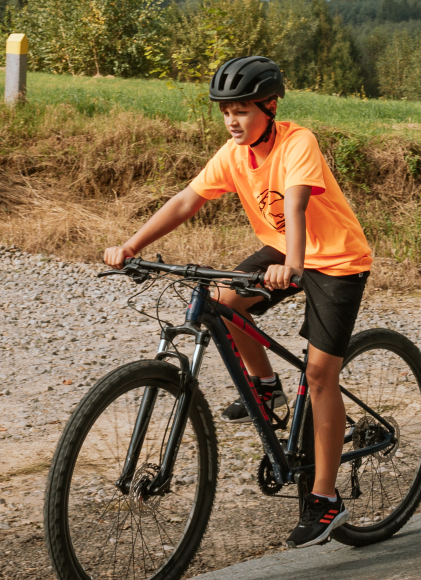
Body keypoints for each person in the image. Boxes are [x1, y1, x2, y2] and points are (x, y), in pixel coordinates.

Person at [102, 54, 374, 549]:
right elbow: (187, 200)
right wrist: (132, 245)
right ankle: (266, 387)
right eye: (225, 111)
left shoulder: (297, 142)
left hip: (334, 260)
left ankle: (325, 500)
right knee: (222, 304)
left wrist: (291, 263)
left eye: (243, 110)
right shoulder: (233, 156)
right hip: (285, 250)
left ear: (270, 107)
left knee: (318, 375)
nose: (232, 120)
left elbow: (296, 202)